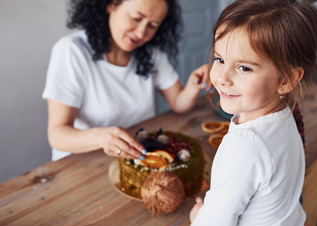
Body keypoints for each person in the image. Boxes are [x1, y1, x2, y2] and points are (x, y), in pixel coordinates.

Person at [189, 0, 317, 226]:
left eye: (244, 68)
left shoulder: (245, 145)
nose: (222, 78)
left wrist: (197, 218)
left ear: (286, 80)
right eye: (219, 59)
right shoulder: (286, 115)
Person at [42, 0, 209, 161]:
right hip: (81, 164)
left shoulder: (151, 53)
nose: (141, 33)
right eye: (136, 19)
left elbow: (178, 103)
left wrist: (194, 85)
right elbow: (57, 135)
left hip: (135, 156)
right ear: (111, 4)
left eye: (153, 25)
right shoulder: (72, 51)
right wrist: (101, 137)